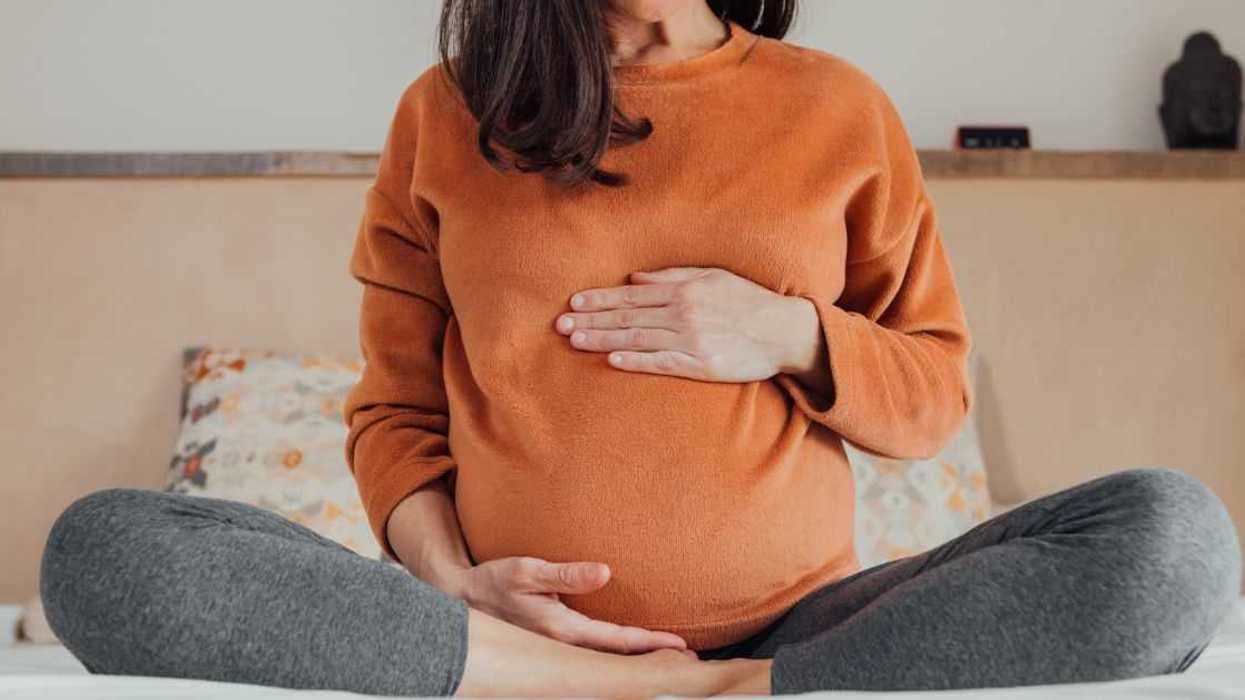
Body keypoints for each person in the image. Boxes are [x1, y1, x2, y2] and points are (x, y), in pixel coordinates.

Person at [40, 1, 1241, 696]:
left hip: (812, 633)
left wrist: (784, 333)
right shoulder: (445, 113)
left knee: (1177, 539)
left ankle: (730, 690)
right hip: (503, 647)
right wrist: (454, 584)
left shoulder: (837, 108)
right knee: (103, 552)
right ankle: (577, 685)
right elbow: (397, 418)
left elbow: (929, 392)